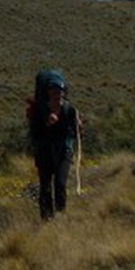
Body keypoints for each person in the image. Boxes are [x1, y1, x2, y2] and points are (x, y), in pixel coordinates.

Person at [27, 69, 82, 221]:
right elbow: (35, 132)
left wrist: (78, 127)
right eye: (54, 91)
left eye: (60, 91)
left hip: (63, 151)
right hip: (44, 152)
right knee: (45, 186)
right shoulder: (39, 110)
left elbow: (74, 132)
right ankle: (46, 219)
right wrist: (47, 123)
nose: (57, 94)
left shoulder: (69, 109)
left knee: (60, 183)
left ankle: (60, 216)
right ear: (48, 92)